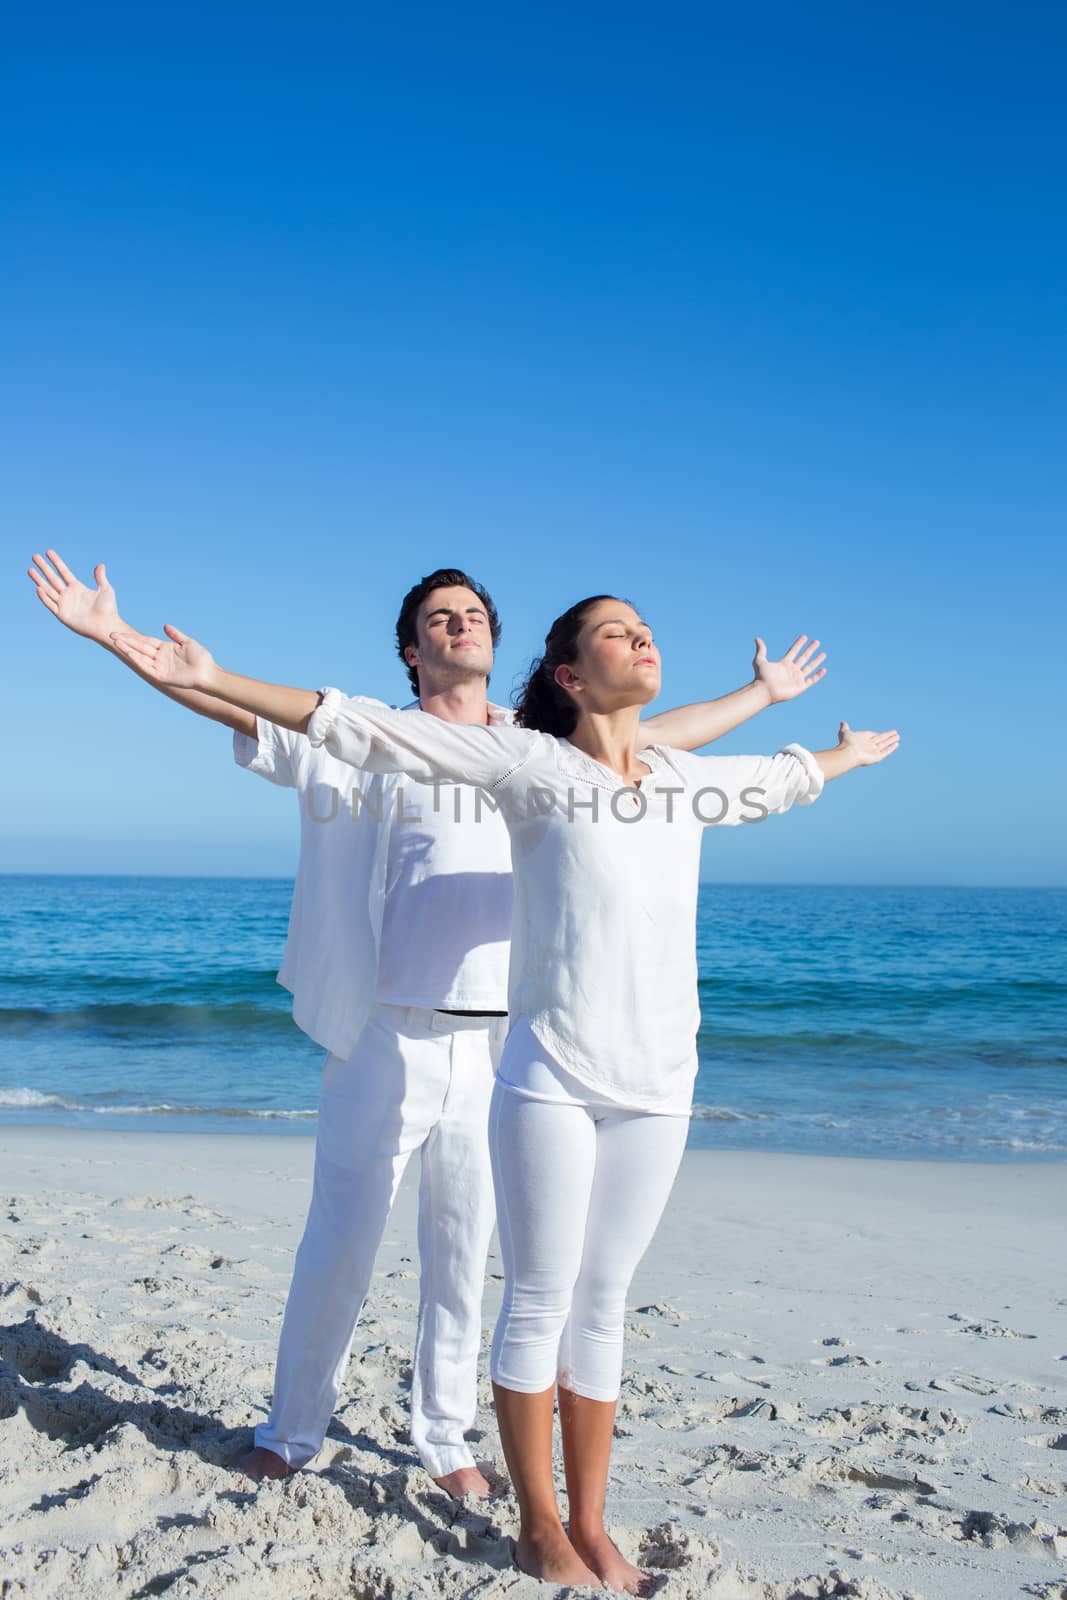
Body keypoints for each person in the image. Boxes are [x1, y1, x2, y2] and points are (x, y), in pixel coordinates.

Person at [104, 593, 898, 1593]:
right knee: (384, 1256)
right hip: (432, 1037)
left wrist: (794, 724)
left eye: (474, 612)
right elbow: (323, 721)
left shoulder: (606, 762)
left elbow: (718, 762)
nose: (460, 625)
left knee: (495, 1270)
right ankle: (325, 1441)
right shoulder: (485, 757)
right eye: (438, 617)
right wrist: (195, 670)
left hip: (561, 1052)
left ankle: (476, 1458)